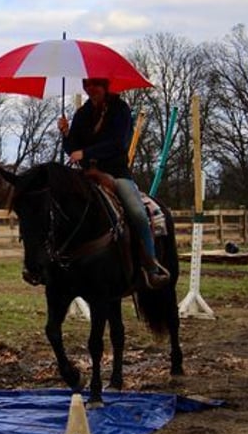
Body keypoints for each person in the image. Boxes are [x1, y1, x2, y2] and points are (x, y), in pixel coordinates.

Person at [58, 77, 169, 289]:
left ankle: (151, 266)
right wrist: (65, 134)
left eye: (95, 85)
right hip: (87, 174)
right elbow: (73, 150)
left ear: (105, 86)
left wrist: (87, 152)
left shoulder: (121, 109)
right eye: (87, 85)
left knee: (137, 213)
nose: (91, 89)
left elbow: (119, 144)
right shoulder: (82, 114)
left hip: (116, 174)